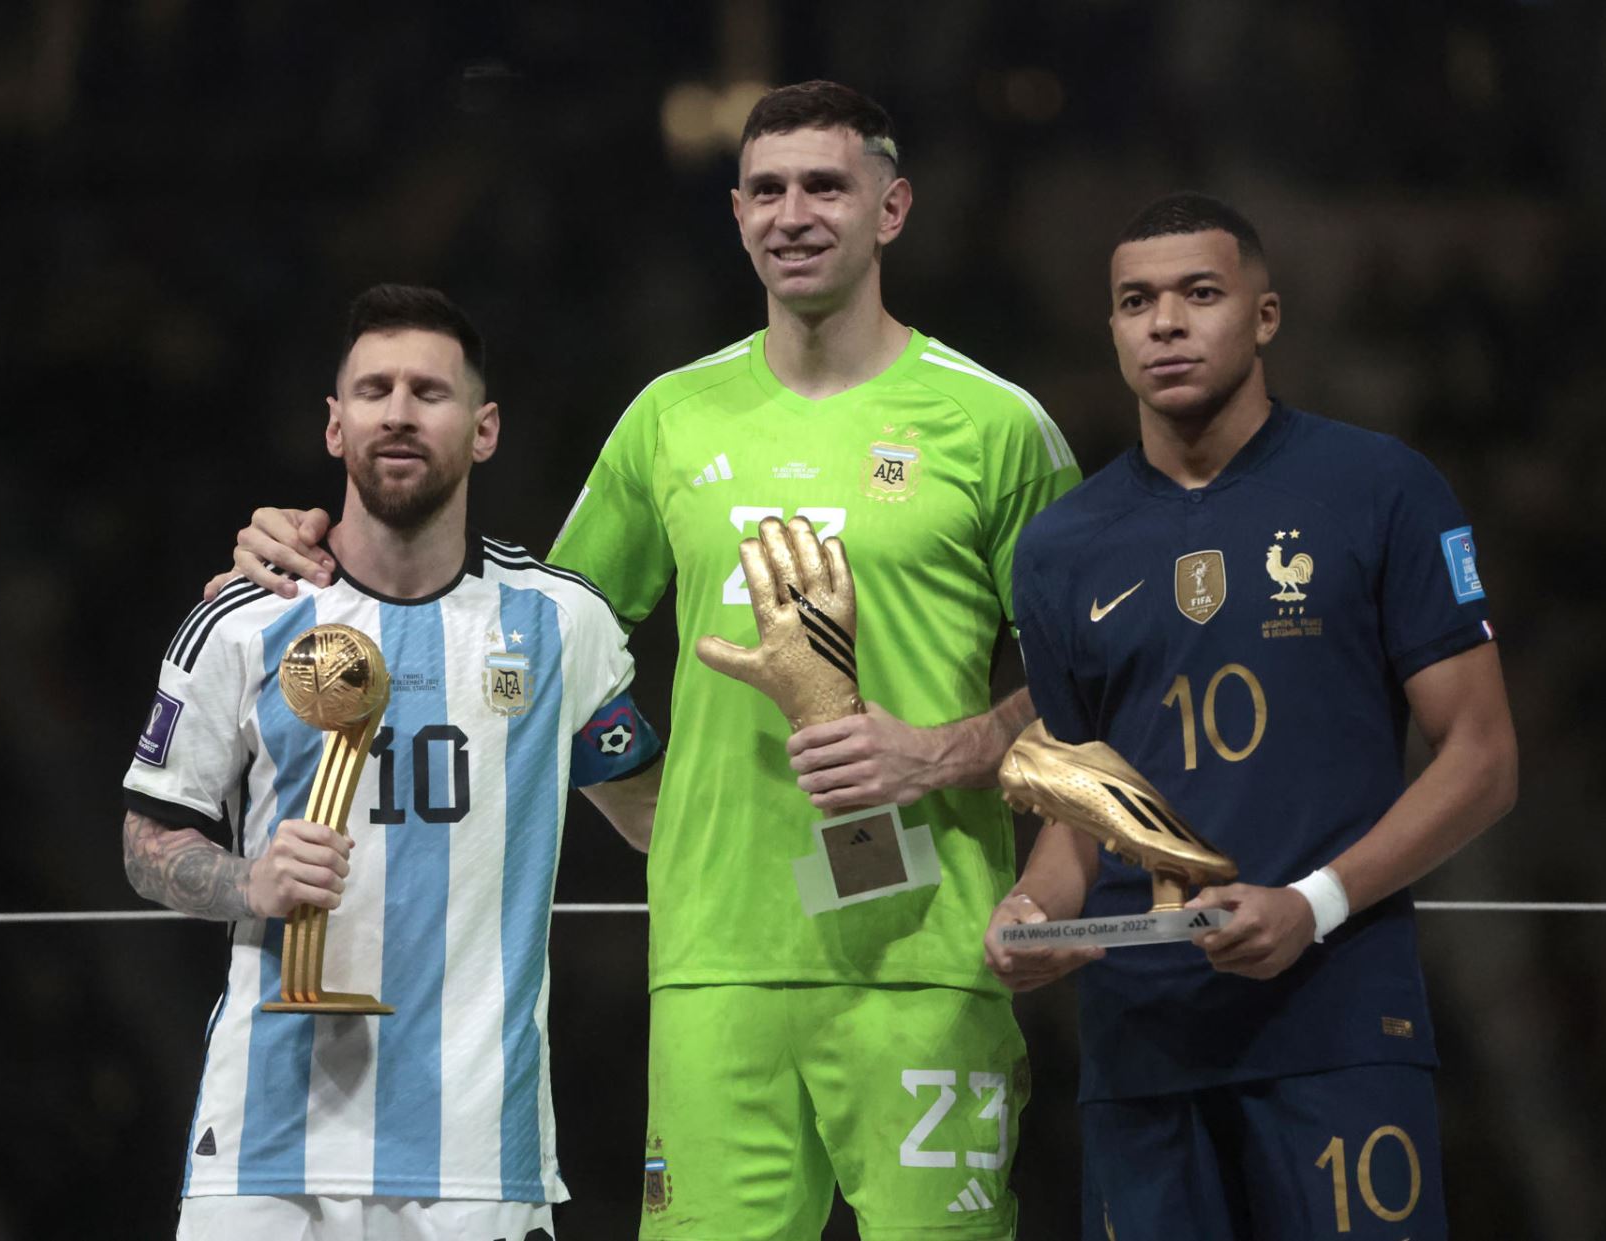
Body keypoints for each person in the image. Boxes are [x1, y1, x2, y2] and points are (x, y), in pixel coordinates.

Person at [213, 83, 1081, 1239]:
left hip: (927, 956)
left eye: (826, 184)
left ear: (893, 206)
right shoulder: (672, 419)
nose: (794, 212)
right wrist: (319, 545)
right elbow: (535, 641)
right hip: (713, 965)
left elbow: (1101, 682)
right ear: (735, 213)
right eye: (766, 189)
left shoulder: (997, 425)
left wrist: (941, 754)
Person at [983, 193, 1518, 1240]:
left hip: (1336, 1023)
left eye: (1199, 294)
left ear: (1265, 316)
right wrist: (1035, 911)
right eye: (1136, 301)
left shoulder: (1382, 489)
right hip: (1141, 1048)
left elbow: (1486, 758)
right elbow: (1080, 803)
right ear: (1111, 329)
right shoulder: (1059, 548)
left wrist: (1313, 904)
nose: (1165, 322)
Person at [123, 284, 663, 1241]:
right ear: (335, 426)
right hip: (263, 1148)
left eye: (430, 391)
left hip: (476, 1152)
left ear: (484, 428)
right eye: (374, 390)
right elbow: (146, 838)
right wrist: (252, 877)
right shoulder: (243, 617)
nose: (400, 412)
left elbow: (657, 815)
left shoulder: (559, 621)